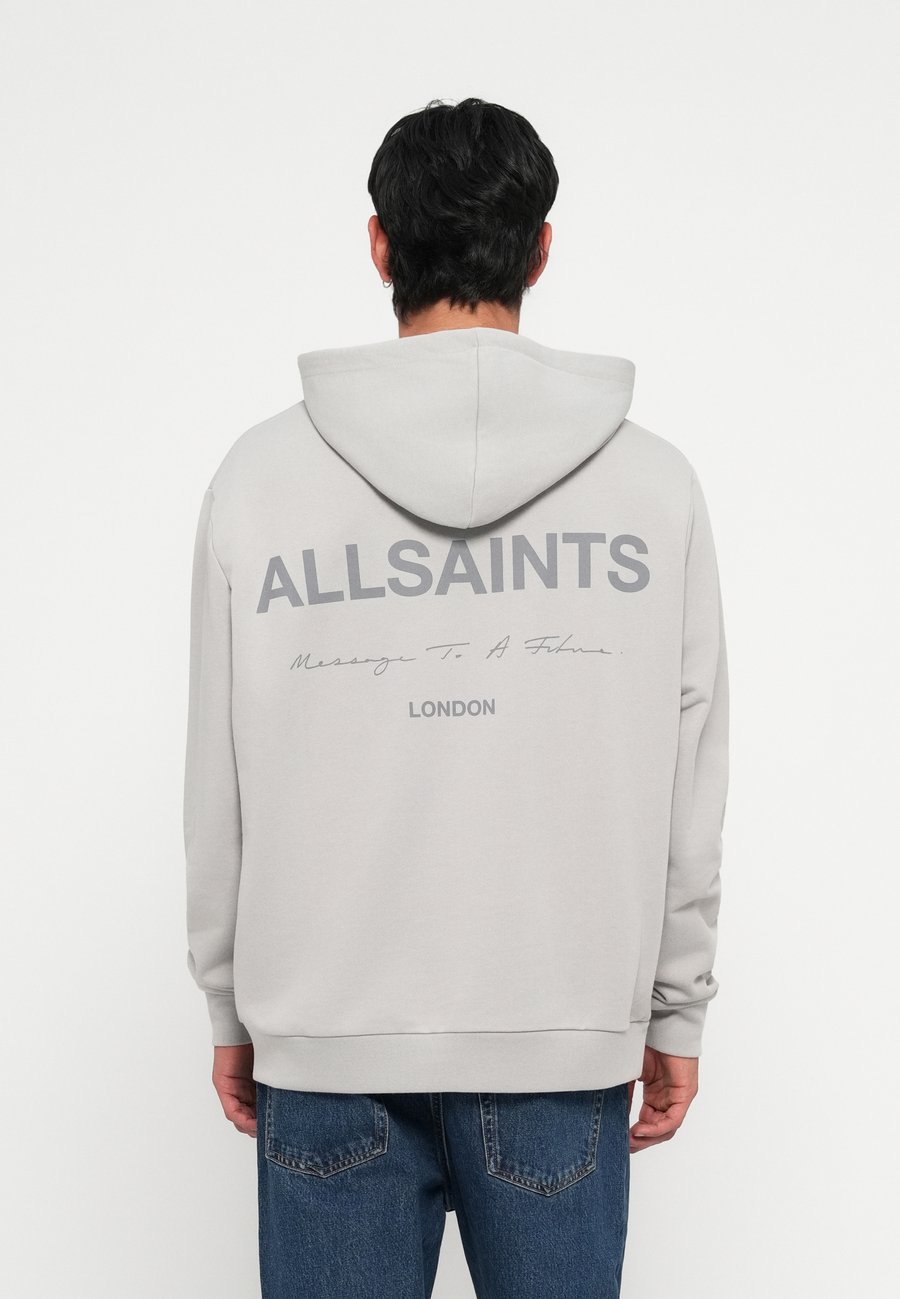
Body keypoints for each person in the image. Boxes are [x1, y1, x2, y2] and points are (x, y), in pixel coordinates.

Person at [183, 96, 729, 1299]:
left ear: (381, 244)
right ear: (541, 250)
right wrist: (675, 1013)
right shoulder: (654, 487)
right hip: (560, 1035)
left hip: (326, 1038)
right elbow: (690, 777)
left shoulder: (260, 479)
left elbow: (216, 774)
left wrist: (232, 1005)